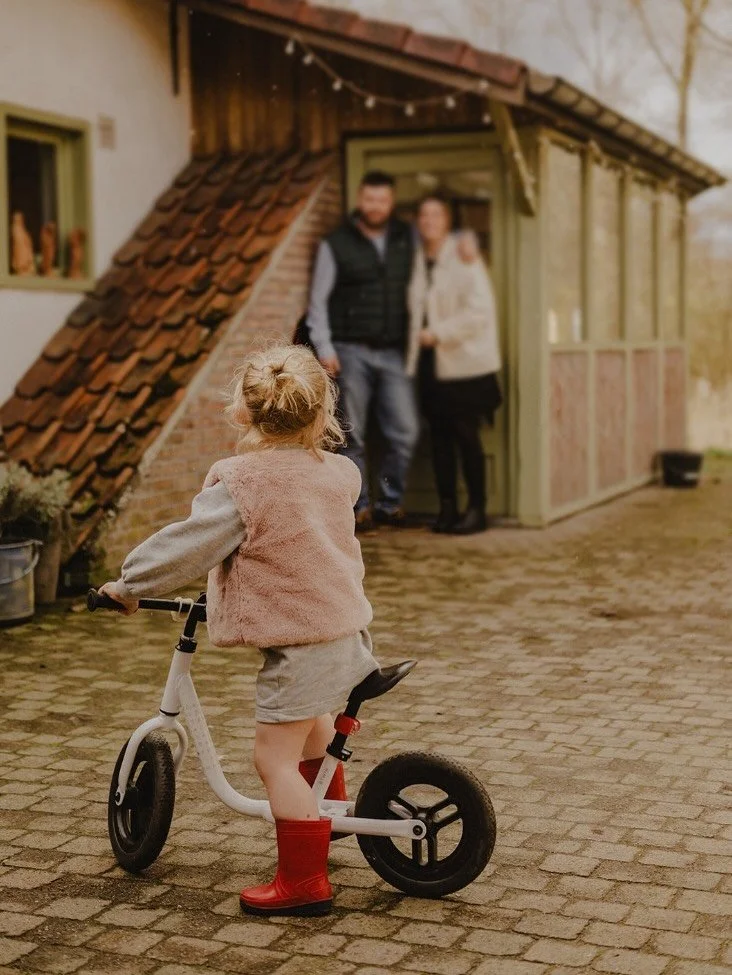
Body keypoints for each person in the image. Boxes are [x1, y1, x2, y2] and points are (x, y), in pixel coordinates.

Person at [99, 344, 378, 918]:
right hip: (346, 632)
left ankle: (304, 883)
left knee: (271, 759)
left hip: (301, 644)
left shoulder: (244, 484)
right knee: (313, 732)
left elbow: (186, 546)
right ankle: (329, 814)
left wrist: (128, 586)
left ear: (243, 413)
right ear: (323, 415)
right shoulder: (339, 474)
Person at [306, 170, 419, 532]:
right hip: (350, 350)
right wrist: (324, 347)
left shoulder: (406, 240)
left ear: (391, 202)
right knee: (353, 433)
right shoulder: (335, 243)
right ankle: (360, 507)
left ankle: (390, 502)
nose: (375, 207)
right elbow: (318, 302)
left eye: (382, 200)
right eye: (369, 200)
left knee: (404, 430)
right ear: (360, 200)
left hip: (394, 352)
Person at [407, 196, 502, 535]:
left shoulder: (464, 255)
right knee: (440, 439)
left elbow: (479, 312)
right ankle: (447, 508)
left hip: (463, 364)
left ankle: (477, 510)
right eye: (423, 214)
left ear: (448, 221)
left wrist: (439, 333)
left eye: (436, 214)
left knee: (466, 436)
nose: (429, 220)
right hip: (431, 364)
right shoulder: (419, 258)